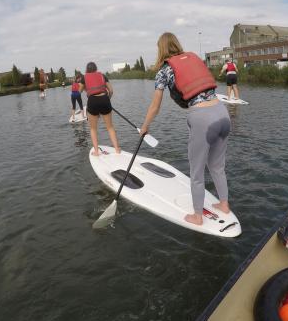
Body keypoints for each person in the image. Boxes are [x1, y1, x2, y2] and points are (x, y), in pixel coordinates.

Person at [140, 32, 232, 225]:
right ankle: (224, 204)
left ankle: (197, 216)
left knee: (196, 171)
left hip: (202, 118)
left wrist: (145, 127)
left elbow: (155, 106)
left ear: (161, 49)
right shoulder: (193, 57)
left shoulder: (164, 71)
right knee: (217, 166)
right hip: (223, 113)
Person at [79, 62, 120, 155]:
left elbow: (79, 91)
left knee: (93, 129)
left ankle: (96, 152)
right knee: (110, 127)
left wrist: (87, 89)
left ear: (87, 69)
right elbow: (111, 90)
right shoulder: (102, 76)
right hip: (105, 99)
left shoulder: (84, 78)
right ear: (96, 69)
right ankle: (117, 149)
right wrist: (107, 99)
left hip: (92, 101)